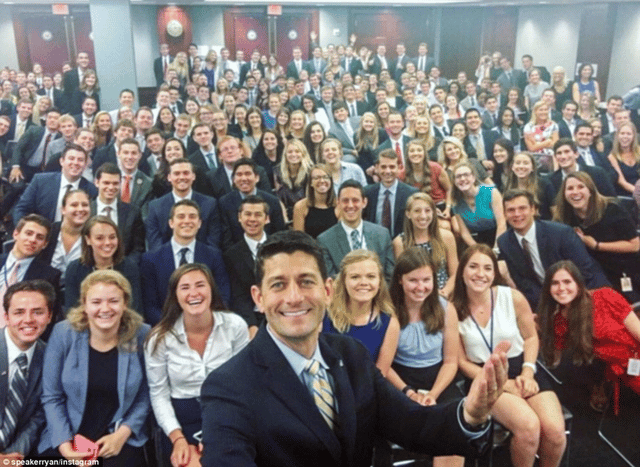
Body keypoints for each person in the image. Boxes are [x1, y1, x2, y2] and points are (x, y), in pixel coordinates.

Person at [200, 229, 511, 467]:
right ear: (258, 297)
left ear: (326, 289)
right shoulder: (228, 386)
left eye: (306, 281)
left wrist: (471, 414)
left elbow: (413, 423)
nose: (294, 297)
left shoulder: (351, 355)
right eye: (278, 284)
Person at [454, 244, 566, 467]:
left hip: (522, 367)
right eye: (473, 267)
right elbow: (461, 362)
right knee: (529, 428)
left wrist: (528, 371)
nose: (480, 274)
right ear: (462, 271)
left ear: (494, 273)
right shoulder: (451, 308)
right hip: (483, 376)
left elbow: (531, 338)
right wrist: (504, 384)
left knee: (555, 432)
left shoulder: (512, 297)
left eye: (487, 268)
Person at [38, 270, 150, 466]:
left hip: (118, 437)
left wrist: (123, 434)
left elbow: (146, 394)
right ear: (84, 305)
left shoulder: (141, 334)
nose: (105, 309)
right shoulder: (64, 333)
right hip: (68, 433)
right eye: (96, 302)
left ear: (125, 303)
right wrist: (65, 447)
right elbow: (51, 396)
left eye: (113, 301)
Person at [145, 263, 249, 467]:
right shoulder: (158, 339)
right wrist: (178, 439)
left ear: (211, 289)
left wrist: (218, 432)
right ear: (175, 295)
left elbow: (245, 385)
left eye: (200, 285)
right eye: (185, 287)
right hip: (181, 422)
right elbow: (159, 395)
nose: (194, 293)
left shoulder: (235, 326)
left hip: (227, 416)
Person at [387, 248, 464, 467]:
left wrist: (433, 394)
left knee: (453, 426)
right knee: (423, 425)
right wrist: (409, 393)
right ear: (400, 280)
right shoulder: (388, 309)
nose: (421, 287)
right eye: (413, 280)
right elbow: (384, 366)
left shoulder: (446, 308)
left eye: (426, 280)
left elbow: (451, 361)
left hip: (439, 377)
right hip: (400, 379)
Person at [538, 261, 640, 397]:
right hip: (625, 373)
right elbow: (554, 359)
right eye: (555, 283)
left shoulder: (605, 296)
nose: (561, 288)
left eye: (567, 282)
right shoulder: (559, 321)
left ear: (578, 284)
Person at [497, 189, 609, 310]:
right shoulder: (504, 242)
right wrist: (549, 304)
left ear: (533, 209)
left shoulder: (560, 233)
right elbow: (524, 283)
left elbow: (584, 271)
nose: (517, 214)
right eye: (511, 210)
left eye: (522, 208)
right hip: (546, 300)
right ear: (504, 214)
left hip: (586, 291)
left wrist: (564, 299)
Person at [141, 199, 230, 326]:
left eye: (192, 217)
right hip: (166, 329)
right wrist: (173, 327)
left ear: (199, 223)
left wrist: (206, 325)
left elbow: (222, 297)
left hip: (207, 327)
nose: (187, 221)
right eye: (181, 217)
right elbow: (149, 305)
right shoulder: (151, 259)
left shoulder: (214, 256)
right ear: (171, 223)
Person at [554, 171, 640, 301]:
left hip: (624, 270)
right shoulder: (563, 218)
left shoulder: (612, 209)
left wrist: (596, 245)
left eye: (581, 187)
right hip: (589, 277)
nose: (575, 192)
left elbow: (635, 245)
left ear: (590, 191)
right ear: (564, 194)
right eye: (570, 188)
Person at [0, 280, 54, 461]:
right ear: (6, 316)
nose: (29, 320)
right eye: (19, 312)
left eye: (38, 312)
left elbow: (38, 418)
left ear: (49, 316)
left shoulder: (51, 358)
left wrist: (13, 457)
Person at [318, 179, 394, 281]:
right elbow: (331, 280)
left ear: (364, 202)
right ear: (338, 203)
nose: (350, 205)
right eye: (345, 201)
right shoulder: (325, 240)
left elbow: (389, 276)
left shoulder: (382, 235)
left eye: (355, 200)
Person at [64, 216, 142, 312]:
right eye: (100, 238)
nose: (107, 242)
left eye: (112, 237)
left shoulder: (129, 267)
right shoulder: (75, 268)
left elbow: (135, 309)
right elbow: (72, 310)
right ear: (88, 239)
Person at [145, 158, 221, 251]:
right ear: (169, 177)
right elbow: (155, 243)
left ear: (193, 176)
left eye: (186, 173)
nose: (181, 177)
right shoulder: (155, 206)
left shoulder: (209, 204)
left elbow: (213, 241)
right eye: (176, 174)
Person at [393, 193, 458, 297]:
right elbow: (402, 278)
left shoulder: (446, 237)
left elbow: (455, 273)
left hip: (443, 294)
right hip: (415, 295)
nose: (423, 216)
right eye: (417, 211)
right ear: (408, 214)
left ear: (433, 212)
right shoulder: (400, 242)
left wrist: (444, 292)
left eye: (427, 210)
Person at [218, 158, 286, 249]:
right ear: (233, 179)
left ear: (257, 177)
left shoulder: (272, 201)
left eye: (248, 174)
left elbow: (279, 234)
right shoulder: (225, 202)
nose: (244, 178)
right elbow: (226, 238)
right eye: (239, 174)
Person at [37, 189, 91, 287]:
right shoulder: (48, 232)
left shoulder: (93, 236)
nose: (80, 209)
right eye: (74, 205)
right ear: (63, 209)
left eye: (85, 205)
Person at [364, 149, 418, 239]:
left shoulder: (410, 193)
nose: (388, 171)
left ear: (399, 167)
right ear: (377, 168)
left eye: (392, 167)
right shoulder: (368, 192)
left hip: (402, 242)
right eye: (383, 167)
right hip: (375, 242)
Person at [450, 162, 506, 248]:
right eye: (458, 176)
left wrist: (496, 248)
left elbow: (502, 223)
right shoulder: (456, 203)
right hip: (479, 241)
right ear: (454, 181)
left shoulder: (491, 192)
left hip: (501, 236)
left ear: (473, 178)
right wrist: (479, 251)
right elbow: (464, 233)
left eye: (466, 175)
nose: (462, 178)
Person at [292, 164, 338, 238]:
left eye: (325, 177)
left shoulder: (339, 204)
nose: (322, 181)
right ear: (311, 183)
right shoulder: (300, 206)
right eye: (317, 178)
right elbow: (299, 239)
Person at [503, 151, 553, 219]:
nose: (521, 166)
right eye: (517, 163)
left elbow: (555, 212)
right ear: (512, 167)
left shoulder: (545, 185)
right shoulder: (508, 186)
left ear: (532, 168)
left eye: (525, 163)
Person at [274, 139, 313, 222]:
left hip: (306, 212)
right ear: (285, 154)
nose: (293, 154)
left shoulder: (311, 171)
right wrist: (284, 217)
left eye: (297, 151)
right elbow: (278, 198)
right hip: (285, 213)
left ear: (303, 153)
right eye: (290, 152)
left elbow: (311, 197)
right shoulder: (277, 170)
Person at [523, 100, 559, 172]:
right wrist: (548, 141)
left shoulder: (553, 125)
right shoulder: (528, 127)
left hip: (551, 159)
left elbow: (555, 144)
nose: (544, 112)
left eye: (546, 110)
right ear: (535, 111)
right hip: (535, 159)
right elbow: (531, 148)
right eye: (541, 110)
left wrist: (537, 144)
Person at [607, 122, 640, 195]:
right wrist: (637, 192)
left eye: (628, 134)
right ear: (617, 136)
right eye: (622, 133)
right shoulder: (612, 156)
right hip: (625, 195)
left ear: (634, 136)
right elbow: (622, 182)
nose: (625, 136)